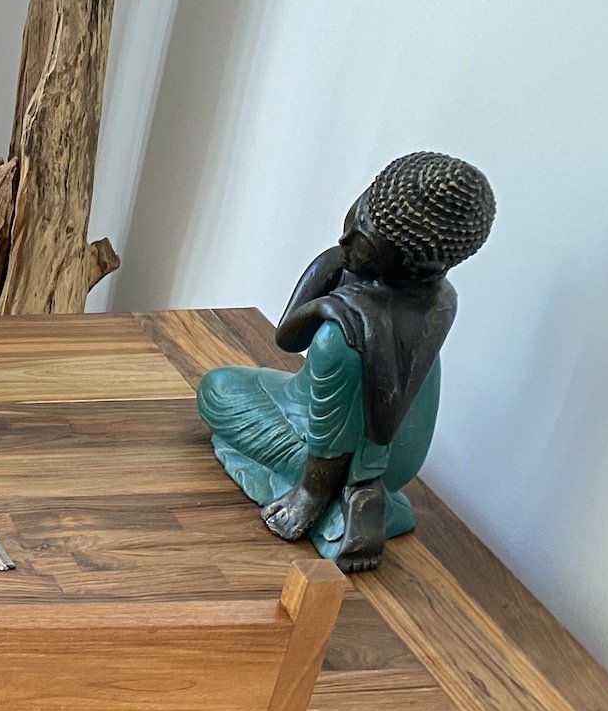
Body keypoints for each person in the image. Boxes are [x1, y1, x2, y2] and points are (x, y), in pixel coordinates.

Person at [196, 151, 495, 571]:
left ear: (414, 262)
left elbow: (370, 425)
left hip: (337, 458)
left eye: (364, 241)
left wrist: (308, 496)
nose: (345, 242)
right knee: (229, 384)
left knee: (216, 390)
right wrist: (323, 304)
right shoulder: (440, 298)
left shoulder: (345, 334)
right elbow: (286, 339)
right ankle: (360, 499)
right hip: (389, 456)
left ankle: (334, 502)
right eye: (357, 216)